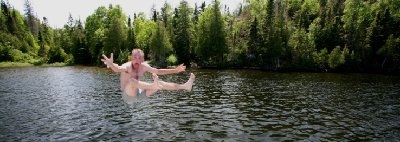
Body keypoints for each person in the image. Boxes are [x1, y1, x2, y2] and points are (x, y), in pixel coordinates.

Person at [101, 48, 195, 99]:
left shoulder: (144, 66)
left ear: (142, 60)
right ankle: (155, 85)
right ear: (131, 58)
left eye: (139, 58)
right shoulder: (127, 66)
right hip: (128, 96)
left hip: (139, 94)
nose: (136, 60)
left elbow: (158, 71)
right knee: (131, 80)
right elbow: (117, 68)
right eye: (134, 57)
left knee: (160, 83)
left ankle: (185, 86)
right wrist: (111, 64)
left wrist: (175, 70)